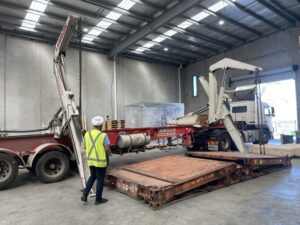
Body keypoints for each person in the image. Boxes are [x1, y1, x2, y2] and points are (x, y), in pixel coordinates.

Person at [81, 115, 111, 205]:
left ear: (93, 125)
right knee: (100, 179)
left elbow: (85, 147)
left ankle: (85, 195)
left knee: (92, 177)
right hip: (100, 162)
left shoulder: (87, 134)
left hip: (91, 161)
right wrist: (109, 152)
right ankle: (98, 199)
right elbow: (107, 148)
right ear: (101, 125)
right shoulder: (103, 135)